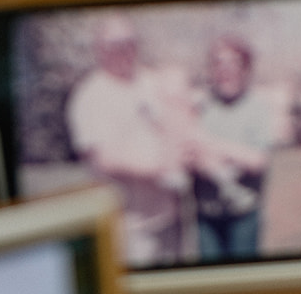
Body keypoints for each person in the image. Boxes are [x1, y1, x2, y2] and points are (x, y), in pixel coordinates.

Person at [65, 14, 195, 266]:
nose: (125, 50)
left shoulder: (151, 81)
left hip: (169, 216)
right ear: (100, 49)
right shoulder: (89, 96)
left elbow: (177, 120)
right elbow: (105, 159)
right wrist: (163, 168)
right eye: (117, 45)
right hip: (127, 227)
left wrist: (184, 150)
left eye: (130, 42)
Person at [189, 37, 279, 262]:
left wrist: (212, 146)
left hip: (243, 215)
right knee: (211, 280)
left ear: (245, 69)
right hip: (206, 216)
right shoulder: (200, 107)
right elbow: (190, 152)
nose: (225, 69)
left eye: (234, 62)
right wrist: (213, 159)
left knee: (243, 278)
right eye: (218, 62)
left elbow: (258, 161)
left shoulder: (257, 109)